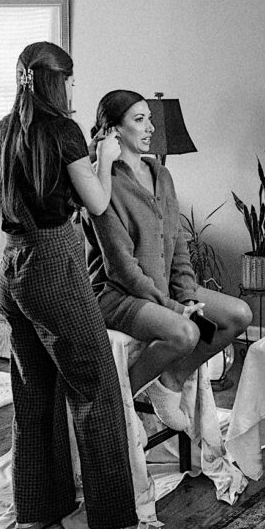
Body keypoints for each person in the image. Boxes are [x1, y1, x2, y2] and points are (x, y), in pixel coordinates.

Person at [0, 44, 172, 529]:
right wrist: (107, 161)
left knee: (33, 388)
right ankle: (113, 523)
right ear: (57, 80)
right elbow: (96, 201)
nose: (73, 89)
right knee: (99, 388)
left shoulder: (2, 131)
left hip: (12, 267)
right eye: (70, 79)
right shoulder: (62, 129)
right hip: (53, 263)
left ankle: (36, 509)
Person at [86, 89, 252, 432]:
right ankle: (117, 407)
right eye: (139, 119)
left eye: (150, 119)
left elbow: (177, 242)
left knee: (238, 315)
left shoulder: (161, 175)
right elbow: (121, 267)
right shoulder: (104, 184)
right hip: (118, 295)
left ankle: (169, 383)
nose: (150, 128)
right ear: (115, 130)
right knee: (186, 333)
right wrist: (175, 308)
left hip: (163, 290)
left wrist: (187, 294)